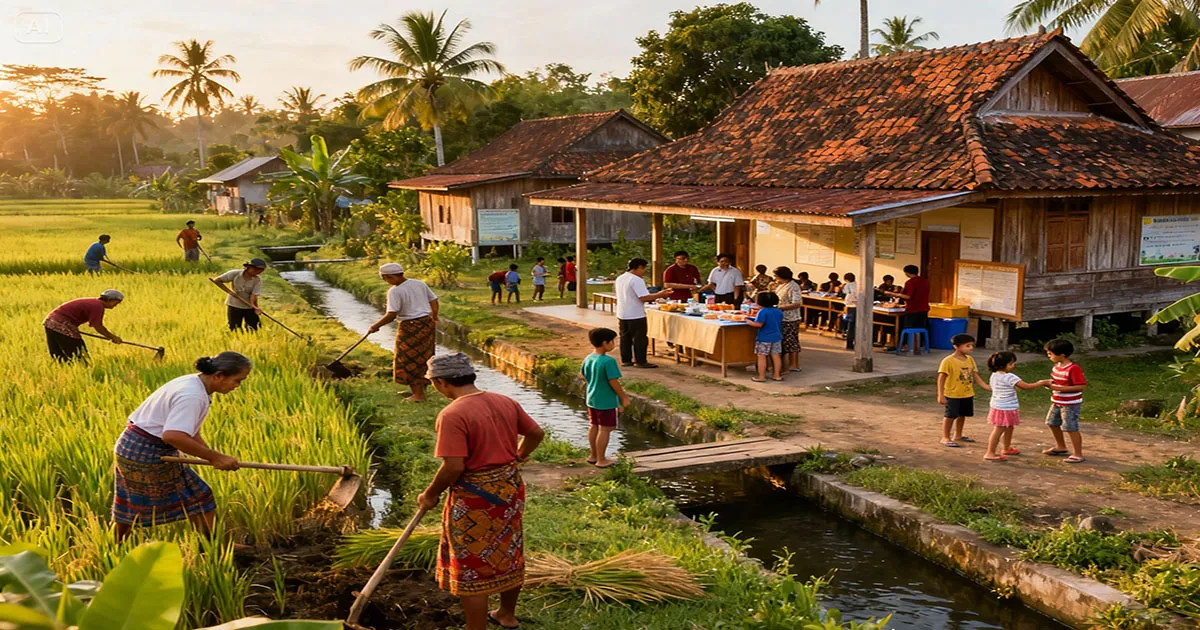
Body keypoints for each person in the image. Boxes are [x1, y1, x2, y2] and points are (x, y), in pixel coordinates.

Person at [416, 353, 545, 630]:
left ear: (440, 382)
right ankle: (506, 615)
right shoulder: (504, 401)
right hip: (509, 489)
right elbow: (536, 433)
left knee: (471, 561)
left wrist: (430, 493)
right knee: (508, 548)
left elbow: (453, 467)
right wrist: (520, 454)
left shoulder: (453, 414)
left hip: (476, 496)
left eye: (433, 384)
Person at [112, 352, 249, 543]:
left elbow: (188, 430)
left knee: (137, 503)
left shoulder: (195, 383)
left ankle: (214, 545)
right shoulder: (192, 396)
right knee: (197, 497)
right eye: (237, 380)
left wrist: (211, 456)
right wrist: (214, 457)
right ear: (218, 375)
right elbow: (174, 435)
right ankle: (215, 546)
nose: (237, 386)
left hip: (135, 445)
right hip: (146, 452)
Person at [368, 263, 440, 402]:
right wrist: (434, 316)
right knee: (424, 357)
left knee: (407, 359)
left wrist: (375, 326)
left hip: (410, 326)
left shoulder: (395, 291)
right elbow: (434, 300)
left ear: (389, 276)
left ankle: (418, 395)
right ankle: (419, 392)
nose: (386, 281)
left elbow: (391, 315)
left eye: (386, 279)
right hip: (426, 324)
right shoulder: (418, 283)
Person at [984, 351, 1050, 462]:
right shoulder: (1009, 377)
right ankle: (990, 452)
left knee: (1009, 427)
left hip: (999, 406)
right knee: (999, 430)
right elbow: (1026, 386)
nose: (1013, 366)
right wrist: (1041, 383)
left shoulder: (994, 375)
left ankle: (1006, 448)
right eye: (1011, 364)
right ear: (1002, 365)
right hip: (1005, 407)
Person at [580, 327, 629, 468]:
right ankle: (601, 459)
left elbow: (583, 375)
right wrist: (623, 397)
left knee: (594, 426)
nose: (614, 344)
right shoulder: (608, 361)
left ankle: (593, 455)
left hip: (592, 398)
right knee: (605, 429)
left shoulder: (588, 358)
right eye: (612, 341)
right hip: (605, 400)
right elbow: (613, 381)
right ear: (605, 343)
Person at [614, 258, 671, 369]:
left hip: (622, 312)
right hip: (636, 314)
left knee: (625, 338)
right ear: (639, 267)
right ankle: (640, 361)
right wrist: (661, 294)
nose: (643, 272)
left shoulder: (620, 278)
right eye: (643, 269)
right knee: (640, 339)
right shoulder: (636, 280)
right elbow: (644, 297)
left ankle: (626, 360)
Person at [936, 334, 991, 447]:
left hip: (967, 393)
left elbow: (974, 375)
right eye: (967, 345)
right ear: (956, 346)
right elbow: (941, 378)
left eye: (971, 345)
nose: (971, 348)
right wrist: (940, 395)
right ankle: (945, 437)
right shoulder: (948, 361)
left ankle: (958, 435)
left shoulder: (970, 359)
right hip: (952, 394)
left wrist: (986, 386)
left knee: (963, 415)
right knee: (950, 415)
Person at [43, 289, 124, 361]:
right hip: (62, 324)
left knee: (58, 355)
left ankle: (65, 368)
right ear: (110, 300)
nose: (115, 305)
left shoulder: (94, 302)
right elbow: (98, 326)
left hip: (49, 322)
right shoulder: (97, 306)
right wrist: (112, 337)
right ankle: (83, 368)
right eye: (116, 303)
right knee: (79, 353)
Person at [1043, 339, 1088, 464]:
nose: (1048, 356)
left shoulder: (1073, 368)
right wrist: (1047, 384)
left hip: (1070, 404)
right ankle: (1061, 446)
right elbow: (1056, 382)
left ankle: (1078, 454)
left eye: (1051, 354)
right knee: (1052, 422)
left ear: (1062, 354)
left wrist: (1059, 388)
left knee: (1070, 427)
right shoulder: (1056, 367)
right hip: (1057, 401)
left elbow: (1081, 386)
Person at [212, 259, 267, 331]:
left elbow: (254, 295)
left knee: (254, 327)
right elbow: (217, 281)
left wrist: (254, 306)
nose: (258, 272)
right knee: (234, 328)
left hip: (249, 306)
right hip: (234, 305)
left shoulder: (257, 280)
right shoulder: (234, 273)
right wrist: (230, 292)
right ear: (248, 268)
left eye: (260, 271)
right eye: (256, 270)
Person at [885, 265, 931, 350]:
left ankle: (907, 345)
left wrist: (894, 294)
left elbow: (908, 296)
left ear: (907, 273)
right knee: (920, 328)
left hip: (913, 309)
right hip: (924, 308)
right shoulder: (925, 281)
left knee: (908, 328)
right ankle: (918, 345)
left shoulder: (910, 282)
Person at [748, 291, 784, 382]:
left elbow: (759, 324)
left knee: (762, 356)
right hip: (776, 337)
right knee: (776, 356)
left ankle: (761, 376)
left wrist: (747, 321)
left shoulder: (762, 312)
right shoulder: (778, 311)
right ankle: (777, 375)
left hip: (764, 338)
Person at [773, 266, 803, 372]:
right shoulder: (781, 285)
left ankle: (794, 364)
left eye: (776, 276)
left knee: (791, 342)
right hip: (781, 317)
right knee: (784, 342)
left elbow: (797, 303)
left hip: (791, 318)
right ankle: (784, 364)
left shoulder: (793, 286)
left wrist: (780, 307)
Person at [842, 272, 858, 350]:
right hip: (858, 307)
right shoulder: (858, 285)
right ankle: (855, 343)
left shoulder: (848, 286)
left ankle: (849, 344)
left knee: (850, 326)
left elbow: (846, 294)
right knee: (855, 326)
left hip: (851, 307)